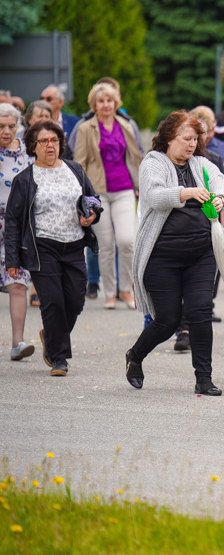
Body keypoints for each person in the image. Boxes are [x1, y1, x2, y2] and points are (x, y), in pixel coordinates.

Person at [126, 111, 224, 395]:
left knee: (200, 312)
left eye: (195, 139)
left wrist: (220, 198)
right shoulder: (153, 162)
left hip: (201, 254)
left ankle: (204, 379)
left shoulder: (202, 163)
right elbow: (154, 195)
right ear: (169, 138)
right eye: (186, 138)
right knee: (167, 320)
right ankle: (135, 356)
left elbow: (220, 183)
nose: (192, 144)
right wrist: (186, 192)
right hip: (161, 256)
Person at [4, 120, 100, 377]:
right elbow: (13, 221)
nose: (50, 146)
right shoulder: (24, 179)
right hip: (42, 247)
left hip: (74, 245)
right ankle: (59, 358)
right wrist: (11, 260)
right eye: (43, 141)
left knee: (76, 301)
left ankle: (50, 335)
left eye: (54, 141)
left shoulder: (75, 169)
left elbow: (93, 200)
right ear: (33, 147)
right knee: (53, 302)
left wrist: (91, 215)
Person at [73, 83, 142, 310]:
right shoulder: (85, 128)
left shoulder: (126, 125)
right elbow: (79, 161)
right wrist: (81, 192)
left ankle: (126, 289)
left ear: (116, 103)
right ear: (94, 104)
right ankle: (110, 293)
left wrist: (140, 184)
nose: (106, 105)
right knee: (105, 245)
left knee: (126, 241)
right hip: (98, 192)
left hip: (124, 189)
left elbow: (136, 156)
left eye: (109, 101)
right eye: (101, 101)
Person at [0, 103, 35, 361]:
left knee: (18, 284)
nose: (6, 131)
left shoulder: (26, 155)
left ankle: (17, 342)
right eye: (1, 126)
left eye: (12, 126)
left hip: (14, 227)